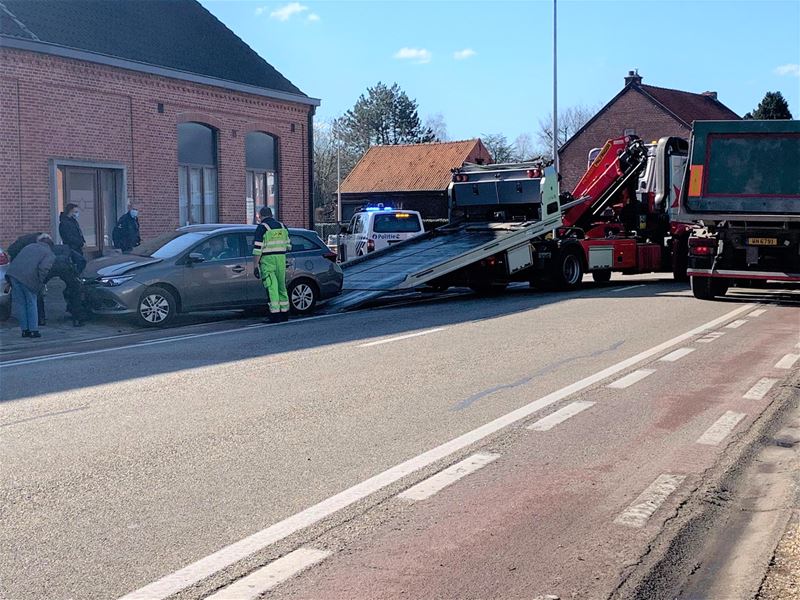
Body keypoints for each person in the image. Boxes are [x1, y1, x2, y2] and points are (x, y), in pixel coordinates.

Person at [5, 234, 55, 338]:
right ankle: (33, 330)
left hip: (14, 275)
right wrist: (40, 283)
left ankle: (24, 330)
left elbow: (17, 260)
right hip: (29, 278)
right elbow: (44, 269)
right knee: (31, 302)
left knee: (21, 304)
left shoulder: (29, 247)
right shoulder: (49, 253)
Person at [252, 206, 291, 322]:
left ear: (261, 216)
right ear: (271, 215)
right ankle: (284, 313)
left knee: (272, 287)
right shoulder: (283, 226)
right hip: (281, 259)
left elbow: (257, 249)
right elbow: (288, 246)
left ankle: (275, 315)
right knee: (281, 286)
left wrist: (255, 266)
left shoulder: (262, 228)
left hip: (268, 261)